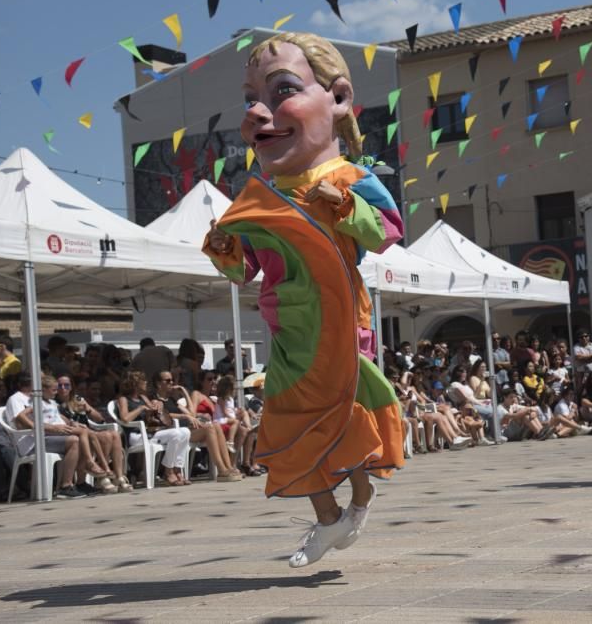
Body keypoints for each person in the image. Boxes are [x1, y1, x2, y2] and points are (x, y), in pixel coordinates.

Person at [204, 31, 404, 569]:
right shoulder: (257, 196)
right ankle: (328, 517)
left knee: (340, 417)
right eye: (251, 100)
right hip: (288, 330)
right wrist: (222, 249)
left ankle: (359, 501)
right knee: (290, 425)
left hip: (340, 321)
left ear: (338, 99)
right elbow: (244, 268)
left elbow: (386, 232)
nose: (258, 112)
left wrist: (344, 206)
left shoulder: (351, 177)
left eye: (281, 91)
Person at [5, 374, 85, 498]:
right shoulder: (16, 399)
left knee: (84, 436)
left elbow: (53, 416)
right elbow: (19, 420)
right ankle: (66, 485)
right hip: (31, 442)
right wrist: (42, 427)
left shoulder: (42, 399)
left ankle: (81, 481)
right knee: (74, 440)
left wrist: (70, 423)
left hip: (46, 436)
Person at [116, 370, 192, 487]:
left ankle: (177, 469)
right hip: (136, 436)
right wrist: (140, 408)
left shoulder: (143, 397)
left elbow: (153, 408)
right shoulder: (124, 399)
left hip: (150, 434)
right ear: (136, 384)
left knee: (185, 432)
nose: (146, 383)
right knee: (176, 434)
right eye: (143, 381)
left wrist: (157, 404)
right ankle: (168, 472)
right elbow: (125, 418)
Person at [56, 375, 131, 493]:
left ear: (71, 387)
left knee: (114, 435)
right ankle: (103, 477)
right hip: (75, 434)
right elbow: (62, 423)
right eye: (60, 385)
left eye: (66, 385)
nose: (63, 388)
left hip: (89, 431)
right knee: (105, 436)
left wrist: (87, 408)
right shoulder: (55, 404)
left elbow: (99, 419)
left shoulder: (77, 399)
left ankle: (118, 476)